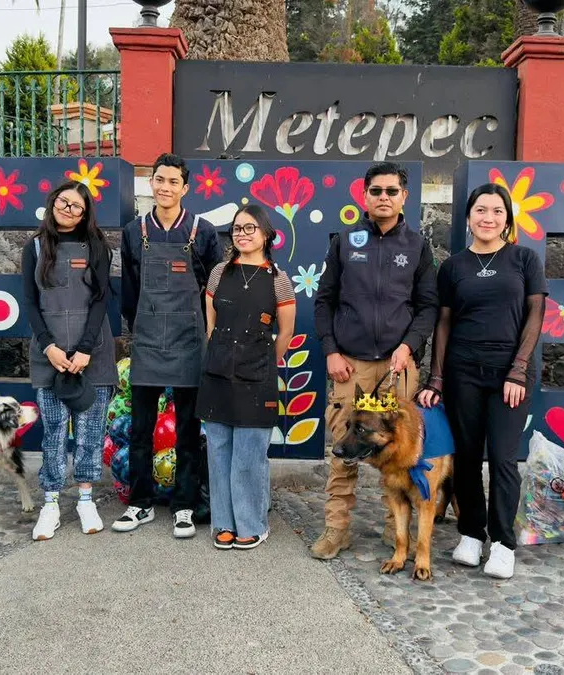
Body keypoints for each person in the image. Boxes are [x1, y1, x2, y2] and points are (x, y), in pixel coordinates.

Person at [310, 161, 439, 560]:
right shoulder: (345, 242)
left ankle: (393, 527)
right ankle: (336, 530)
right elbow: (324, 300)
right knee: (344, 447)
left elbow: (428, 306)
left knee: (401, 451)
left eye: (391, 191)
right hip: (349, 363)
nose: (383, 197)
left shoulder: (418, 247)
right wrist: (331, 350)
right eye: (376, 191)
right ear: (364, 196)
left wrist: (410, 346)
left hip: (398, 364)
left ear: (404, 196)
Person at [417, 183, 545, 580]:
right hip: (462, 372)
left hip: (510, 374)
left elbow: (535, 316)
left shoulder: (524, 259)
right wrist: (436, 378)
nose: (488, 218)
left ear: (508, 219)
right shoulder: (453, 266)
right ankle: (472, 532)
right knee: (468, 458)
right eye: (480, 211)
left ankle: (504, 542)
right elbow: (443, 323)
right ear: (468, 217)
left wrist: (518, 369)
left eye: (497, 211)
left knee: (504, 459)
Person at [115, 153, 224, 538]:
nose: (164, 187)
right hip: (146, 339)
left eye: (173, 181)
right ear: (152, 183)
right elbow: (129, 290)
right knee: (141, 429)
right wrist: (137, 328)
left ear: (185, 187)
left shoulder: (203, 231)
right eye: (159, 179)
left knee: (188, 431)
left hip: (189, 341)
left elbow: (215, 289)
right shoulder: (133, 231)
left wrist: (207, 335)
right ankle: (140, 503)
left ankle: (184, 505)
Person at [23, 181, 118, 541]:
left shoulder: (96, 246)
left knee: (91, 433)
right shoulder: (33, 248)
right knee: (53, 432)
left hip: (91, 352)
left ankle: (85, 499)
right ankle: (50, 502)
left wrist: (85, 349)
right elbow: (30, 303)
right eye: (64, 202)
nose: (68, 209)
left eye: (77, 206)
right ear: (52, 202)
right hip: (50, 354)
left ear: (85, 213)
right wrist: (49, 346)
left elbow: (100, 301)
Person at [198, 205, 296, 550]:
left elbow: (285, 332)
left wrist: (264, 360)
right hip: (218, 371)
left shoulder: (278, 280)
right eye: (237, 228)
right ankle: (223, 523)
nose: (242, 234)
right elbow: (209, 324)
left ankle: (252, 524)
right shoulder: (219, 273)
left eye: (250, 228)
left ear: (266, 234)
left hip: (258, 375)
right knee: (219, 450)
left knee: (248, 455)